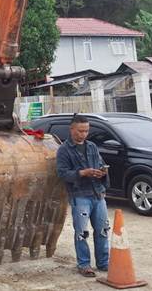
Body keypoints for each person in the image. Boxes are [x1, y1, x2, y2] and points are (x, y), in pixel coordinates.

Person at [56, 114, 110, 277]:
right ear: (72, 129)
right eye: (80, 131)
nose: (83, 134)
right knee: (82, 232)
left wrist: (102, 172)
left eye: (86, 131)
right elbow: (62, 174)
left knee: (102, 230)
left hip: (98, 194)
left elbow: (101, 164)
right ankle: (84, 264)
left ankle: (103, 262)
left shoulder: (92, 146)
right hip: (80, 196)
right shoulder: (64, 150)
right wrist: (83, 173)